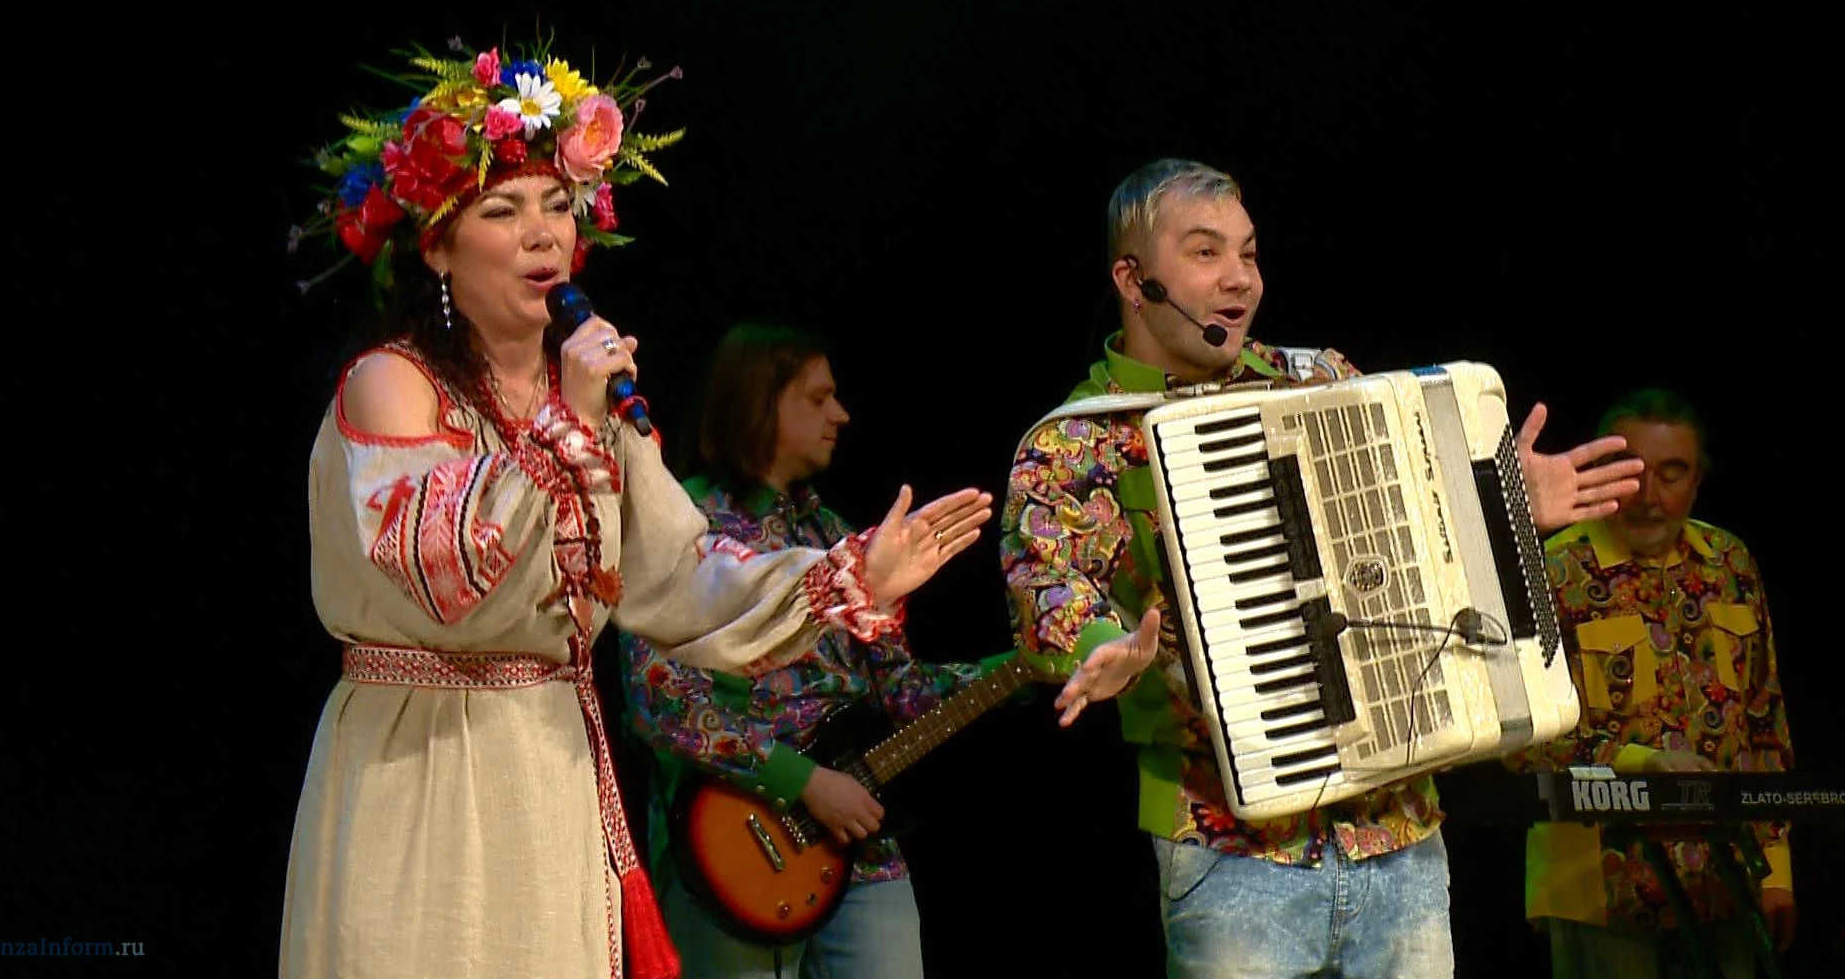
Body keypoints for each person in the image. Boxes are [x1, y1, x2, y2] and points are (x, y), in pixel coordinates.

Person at [277, 35, 993, 979]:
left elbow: (683, 580)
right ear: (438, 246)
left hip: (547, 762)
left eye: (557, 205)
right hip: (423, 754)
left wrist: (844, 576)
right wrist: (569, 427)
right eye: (502, 210)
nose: (543, 233)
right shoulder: (391, 382)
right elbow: (444, 575)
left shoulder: (590, 402)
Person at [997, 157, 1647, 978]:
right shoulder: (1072, 442)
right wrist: (1103, 648)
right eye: (1205, 253)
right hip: (1230, 852)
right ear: (1134, 280)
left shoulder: (1320, 379)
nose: (1240, 278)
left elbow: (1415, 543)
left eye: (1249, 253)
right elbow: (1050, 592)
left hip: (1399, 829)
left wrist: (1504, 504)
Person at [617, 323, 1011, 978]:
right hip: (732, 850)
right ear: (760, 401)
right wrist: (804, 782)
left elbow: (903, 691)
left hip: (861, 846)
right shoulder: (682, 527)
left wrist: (1018, 670)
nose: (841, 414)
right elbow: (659, 703)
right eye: (818, 397)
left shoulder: (835, 535)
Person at [1506, 388, 1795, 978]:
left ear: (1698, 480)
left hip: (1726, 884)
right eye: (1633, 471)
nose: (1649, 496)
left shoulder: (1730, 564)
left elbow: (1764, 722)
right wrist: (1638, 763)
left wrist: (1777, 869)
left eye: (1672, 473)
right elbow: (1518, 740)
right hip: (1599, 890)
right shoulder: (1551, 571)